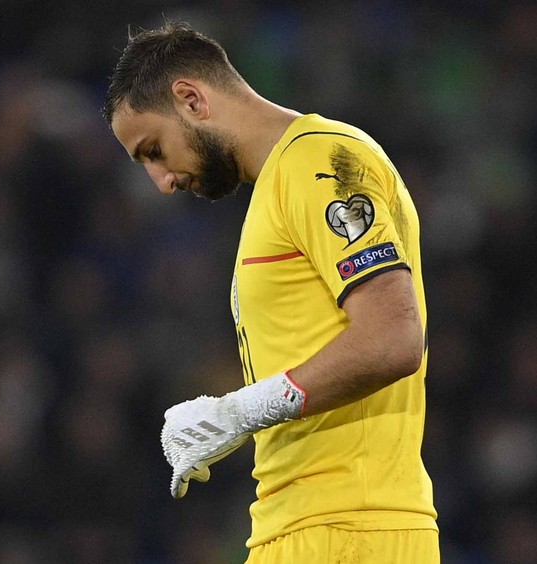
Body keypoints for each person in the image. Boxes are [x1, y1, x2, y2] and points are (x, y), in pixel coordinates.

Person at [102, 20, 439, 563]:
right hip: (307, 530)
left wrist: (237, 412)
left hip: (347, 530)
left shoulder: (319, 163)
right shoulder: (279, 184)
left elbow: (393, 337)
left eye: (154, 150)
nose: (161, 181)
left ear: (190, 99)